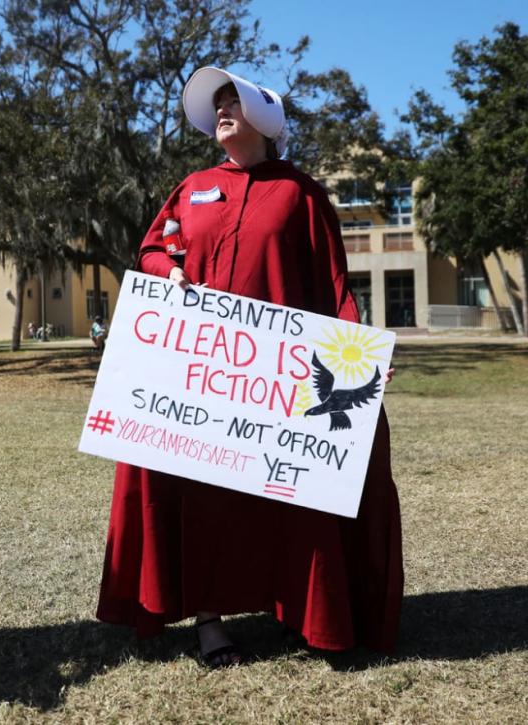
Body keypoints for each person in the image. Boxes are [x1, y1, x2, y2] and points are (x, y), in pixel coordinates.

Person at [95, 67, 403, 666]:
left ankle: (299, 610)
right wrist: (170, 271)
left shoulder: (301, 194)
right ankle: (209, 624)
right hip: (201, 371)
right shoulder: (192, 187)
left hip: (277, 378)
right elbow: (155, 248)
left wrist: (357, 358)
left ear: (265, 119)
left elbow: (333, 284)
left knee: (292, 495)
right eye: (218, 104)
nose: (222, 110)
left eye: (233, 100)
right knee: (200, 491)